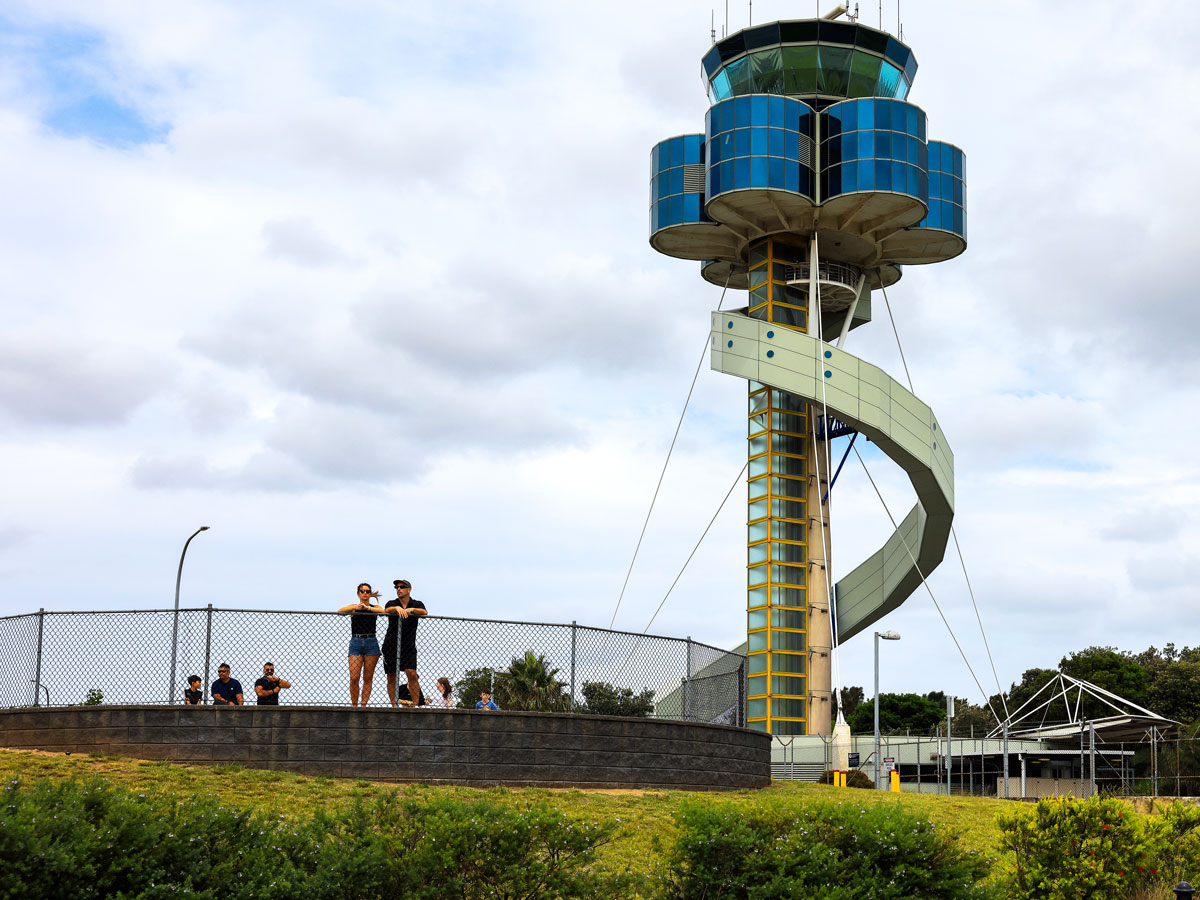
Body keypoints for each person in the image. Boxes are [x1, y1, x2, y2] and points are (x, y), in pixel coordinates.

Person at [382, 579, 427, 710]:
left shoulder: (416, 603)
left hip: (408, 645)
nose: (399, 589)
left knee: (411, 673)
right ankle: (394, 705)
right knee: (391, 675)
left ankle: (415, 704)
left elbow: (424, 612)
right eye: (397, 587)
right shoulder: (392, 603)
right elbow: (386, 610)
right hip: (391, 644)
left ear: (409, 589)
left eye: (402, 587)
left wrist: (411, 610)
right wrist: (397, 608)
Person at [338, 582, 383, 706]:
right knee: (354, 677)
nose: (365, 593)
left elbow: (382, 611)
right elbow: (340, 611)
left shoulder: (374, 608)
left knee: (368, 677)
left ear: (370, 594)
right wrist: (357, 608)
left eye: (367, 591)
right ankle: (354, 705)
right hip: (356, 642)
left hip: (371, 642)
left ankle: (363, 704)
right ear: (358, 593)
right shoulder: (354, 607)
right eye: (362, 591)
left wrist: (367, 608)